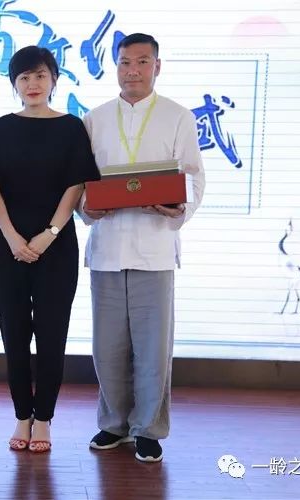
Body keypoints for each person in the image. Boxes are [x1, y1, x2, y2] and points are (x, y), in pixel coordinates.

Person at [80, 33, 205, 462]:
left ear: (157, 66)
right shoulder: (94, 118)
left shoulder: (178, 116)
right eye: (125, 62)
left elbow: (193, 176)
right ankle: (113, 423)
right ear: (115, 66)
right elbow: (81, 182)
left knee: (153, 348)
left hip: (155, 245)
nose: (132, 70)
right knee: (107, 346)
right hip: (108, 246)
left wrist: (178, 209)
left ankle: (148, 429)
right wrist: (86, 209)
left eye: (142, 61)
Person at [0, 46, 99, 453]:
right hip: (7, 245)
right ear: (14, 83)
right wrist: (12, 236)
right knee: (14, 334)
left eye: (40, 75)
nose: (32, 84)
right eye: (24, 77)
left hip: (56, 247)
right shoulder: (3, 126)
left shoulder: (71, 127)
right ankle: (20, 416)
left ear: (54, 80)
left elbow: (76, 184)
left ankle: (43, 418)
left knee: (51, 334)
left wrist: (49, 233)